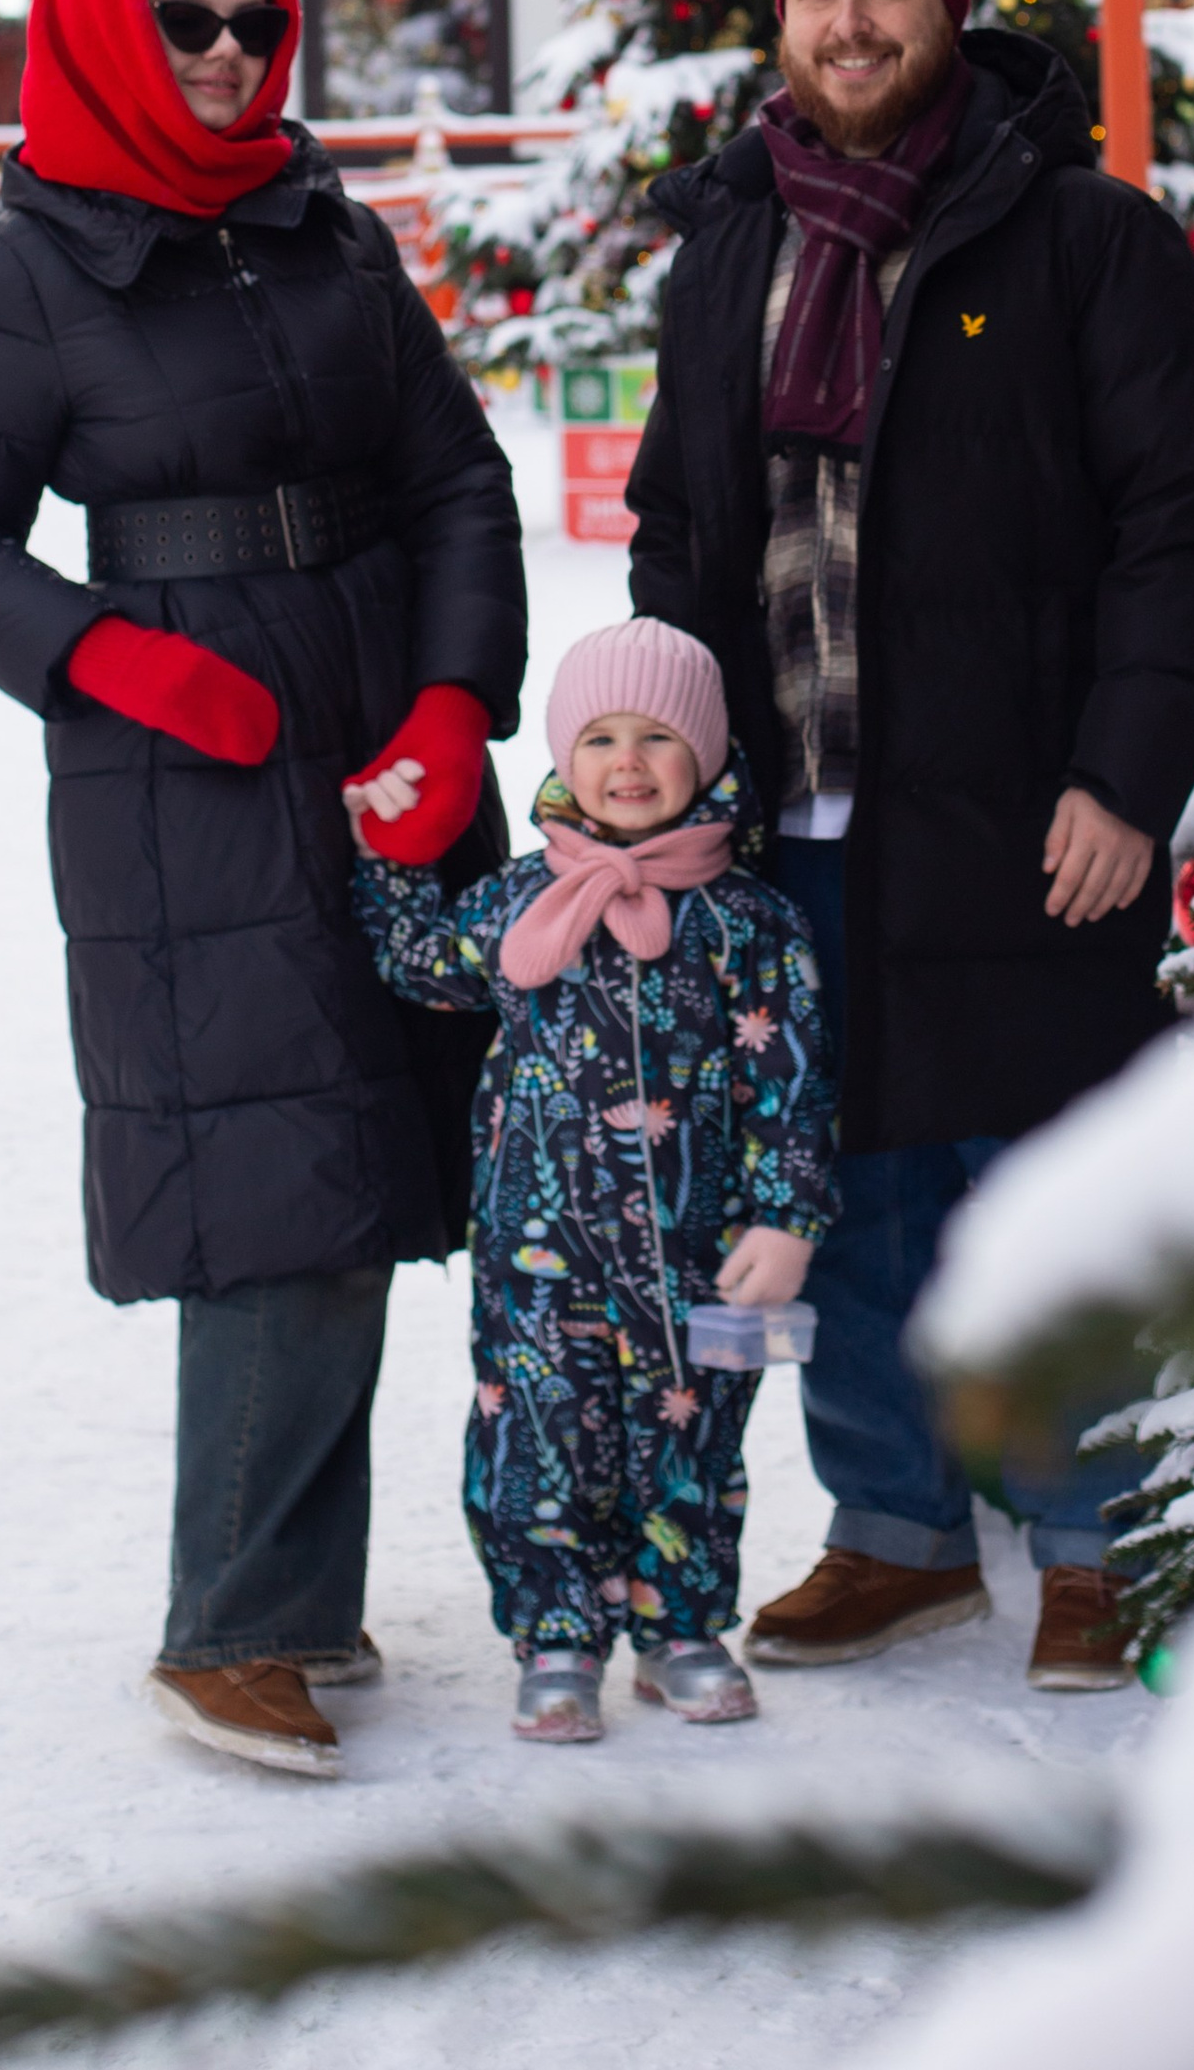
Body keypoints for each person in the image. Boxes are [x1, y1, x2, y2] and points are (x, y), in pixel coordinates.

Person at [0, 0, 526, 1781]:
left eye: (257, 20)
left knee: (392, 1149)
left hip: (378, 724)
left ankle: (302, 1601)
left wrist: (448, 700)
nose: (232, 51)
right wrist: (109, 664)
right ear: (101, 32)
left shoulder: (329, 230)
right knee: (275, 1175)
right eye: (188, 22)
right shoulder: (35, 269)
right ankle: (228, 1621)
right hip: (185, 776)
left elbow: (454, 477)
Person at [627, 0, 1194, 1690]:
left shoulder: (1081, 239)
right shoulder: (732, 241)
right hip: (792, 811)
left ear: (948, 7)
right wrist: (671, 771)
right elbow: (683, 526)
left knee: (1040, 1171)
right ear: (783, 21)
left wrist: (1126, 775)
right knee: (841, 1177)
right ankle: (897, 1527)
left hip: (1025, 814)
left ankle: (1090, 1533)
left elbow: (1182, 528)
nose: (850, 25)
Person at [348, 620, 836, 1742]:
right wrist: (382, 859)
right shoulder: (522, 901)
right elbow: (426, 966)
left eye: (658, 737)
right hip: (540, 1255)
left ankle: (681, 1626)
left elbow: (793, 1081)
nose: (628, 761)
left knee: (697, 1442)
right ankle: (555, 1630)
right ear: (566, 757)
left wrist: (789, 1216)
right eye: (602, 736)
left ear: (705, 758)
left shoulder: (753, 923)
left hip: (708, 1256)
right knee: (540, 1437)